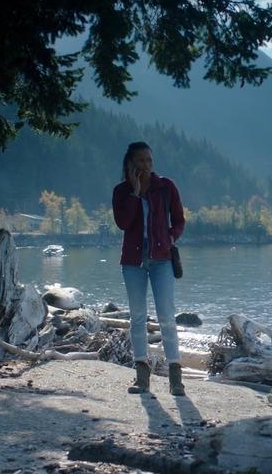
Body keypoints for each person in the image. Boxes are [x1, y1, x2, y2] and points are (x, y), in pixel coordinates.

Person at [112, 141, 187, 395]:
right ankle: (142, 377)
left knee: (166, 316)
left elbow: (179, 219)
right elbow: (123, 223)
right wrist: (134, 192)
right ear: (131, 164)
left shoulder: (166, 187)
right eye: (141, 161)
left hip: (162, 259)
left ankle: (175, 378)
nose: (146, 165)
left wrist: (171, 237)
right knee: (137, 318)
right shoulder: (121, 192)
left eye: (149, 160)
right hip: (132, 262)